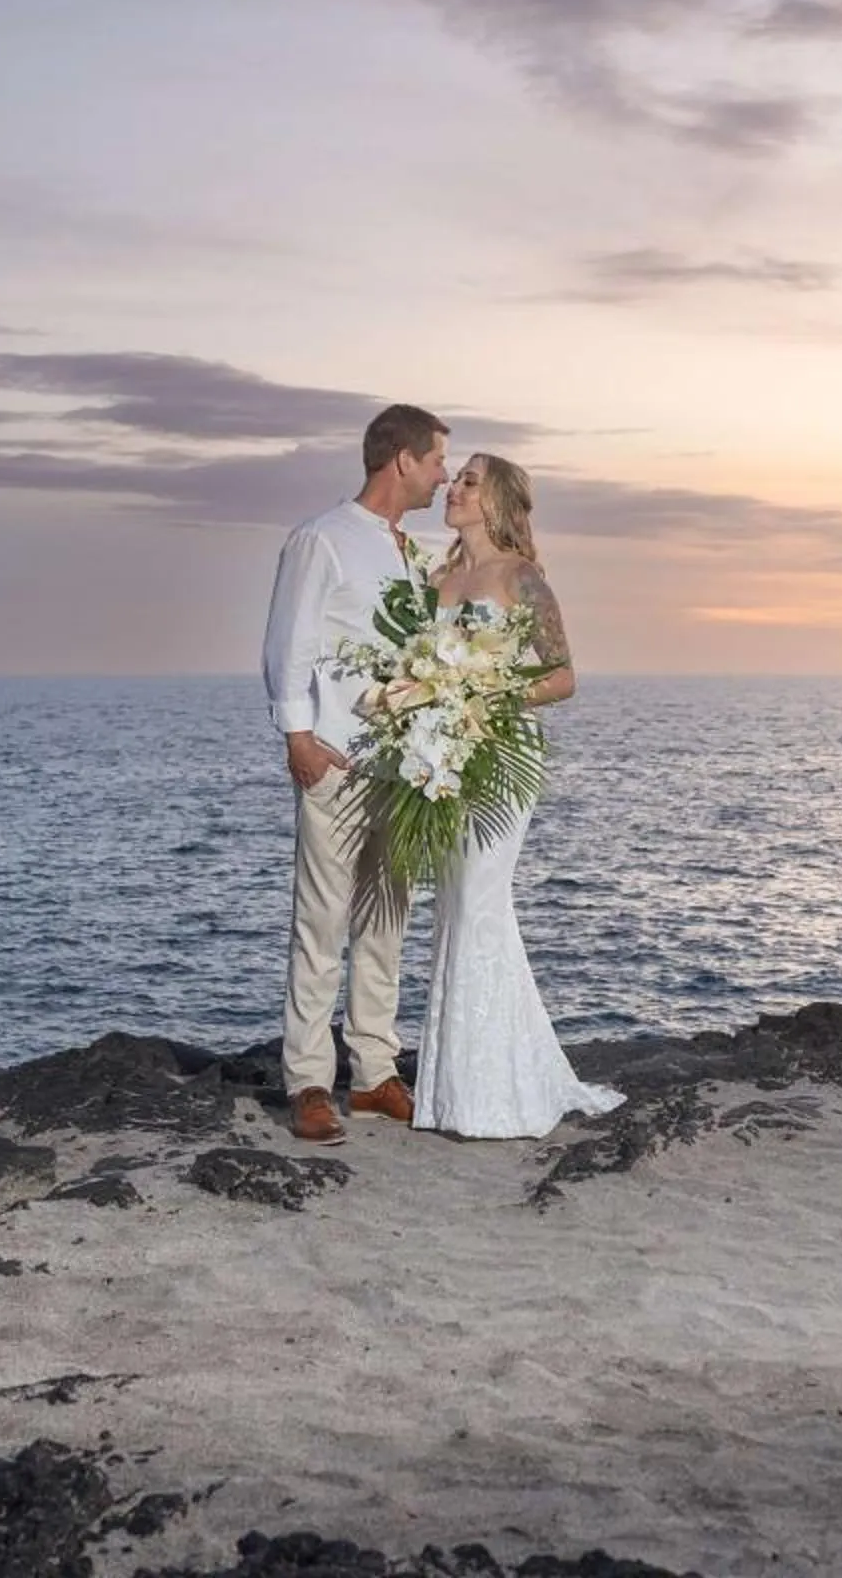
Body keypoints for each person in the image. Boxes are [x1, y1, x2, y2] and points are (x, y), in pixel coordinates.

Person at [411, 453, 625, 1139]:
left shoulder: (522, 578)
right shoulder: (437, 578)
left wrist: (485, 694)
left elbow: (562, 678)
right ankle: (453, 1091)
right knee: (455, 903)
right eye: (455, 478)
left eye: (469, 481)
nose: (453, 487)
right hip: (442, 752)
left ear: (497, 501)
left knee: (479, 897)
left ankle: (489, 1095)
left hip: (503, 752)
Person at [262, 403, 450, 1145]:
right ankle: (309, 1081)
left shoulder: (413, 551)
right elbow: (289, 641)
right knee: (321, 922)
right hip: (337, 758)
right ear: (402, 459)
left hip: (404, 767)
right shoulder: (322, 539)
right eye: (436, 461)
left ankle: (374, 1073)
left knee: (386, 921)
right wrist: (298, 737)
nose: (443, 476)